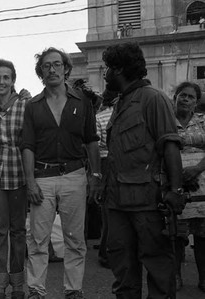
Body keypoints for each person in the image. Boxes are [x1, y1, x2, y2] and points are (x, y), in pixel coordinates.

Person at [102, 42, 184, 299]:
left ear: (118, 69)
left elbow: (170, 146)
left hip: (148, 203)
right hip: (117, 203)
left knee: (159, 270)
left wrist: (176, 190)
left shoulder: (153, 99)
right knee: (123, 271)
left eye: (107, 68)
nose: (104, 74)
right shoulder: (121, 103)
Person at [22, 47, 102, 299]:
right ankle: (36, 290)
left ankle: (73, 290)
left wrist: (96, 176)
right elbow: (27, 146)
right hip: (42, 179)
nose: (52, 69)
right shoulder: (32, 105)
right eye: (47, 66)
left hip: (74, 176)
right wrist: (30, 181)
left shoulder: (82, 101)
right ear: (40, 72)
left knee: (75, 239)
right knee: (37, 240)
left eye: (57, 64)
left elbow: (91, 141)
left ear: (66, 68)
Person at [0, 59, 29, 299]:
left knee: (18, 230)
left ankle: (19, 285)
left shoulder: (25, 104)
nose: (2, 81)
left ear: (13, 81)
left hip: (19, 171)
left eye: (6, 77)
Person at [171, 82, 205, 293]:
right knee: (175, 233)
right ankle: (175, 276)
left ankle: (203, 277)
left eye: (191, 97)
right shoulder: (166, 122)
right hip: (175, 183)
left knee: (203, 234)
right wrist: (179, 175)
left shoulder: (203, 121)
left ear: (196, 102)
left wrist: (197, 169)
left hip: (202, 183)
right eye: (182, 95)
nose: (186, 99)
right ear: (175, 97)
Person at [95, 89, 118, 269]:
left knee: (107, 212)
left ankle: (106, 253)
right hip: (121, 163)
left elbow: (95, 146)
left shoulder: (100, 117)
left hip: (104, 162)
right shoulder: (124, 115)